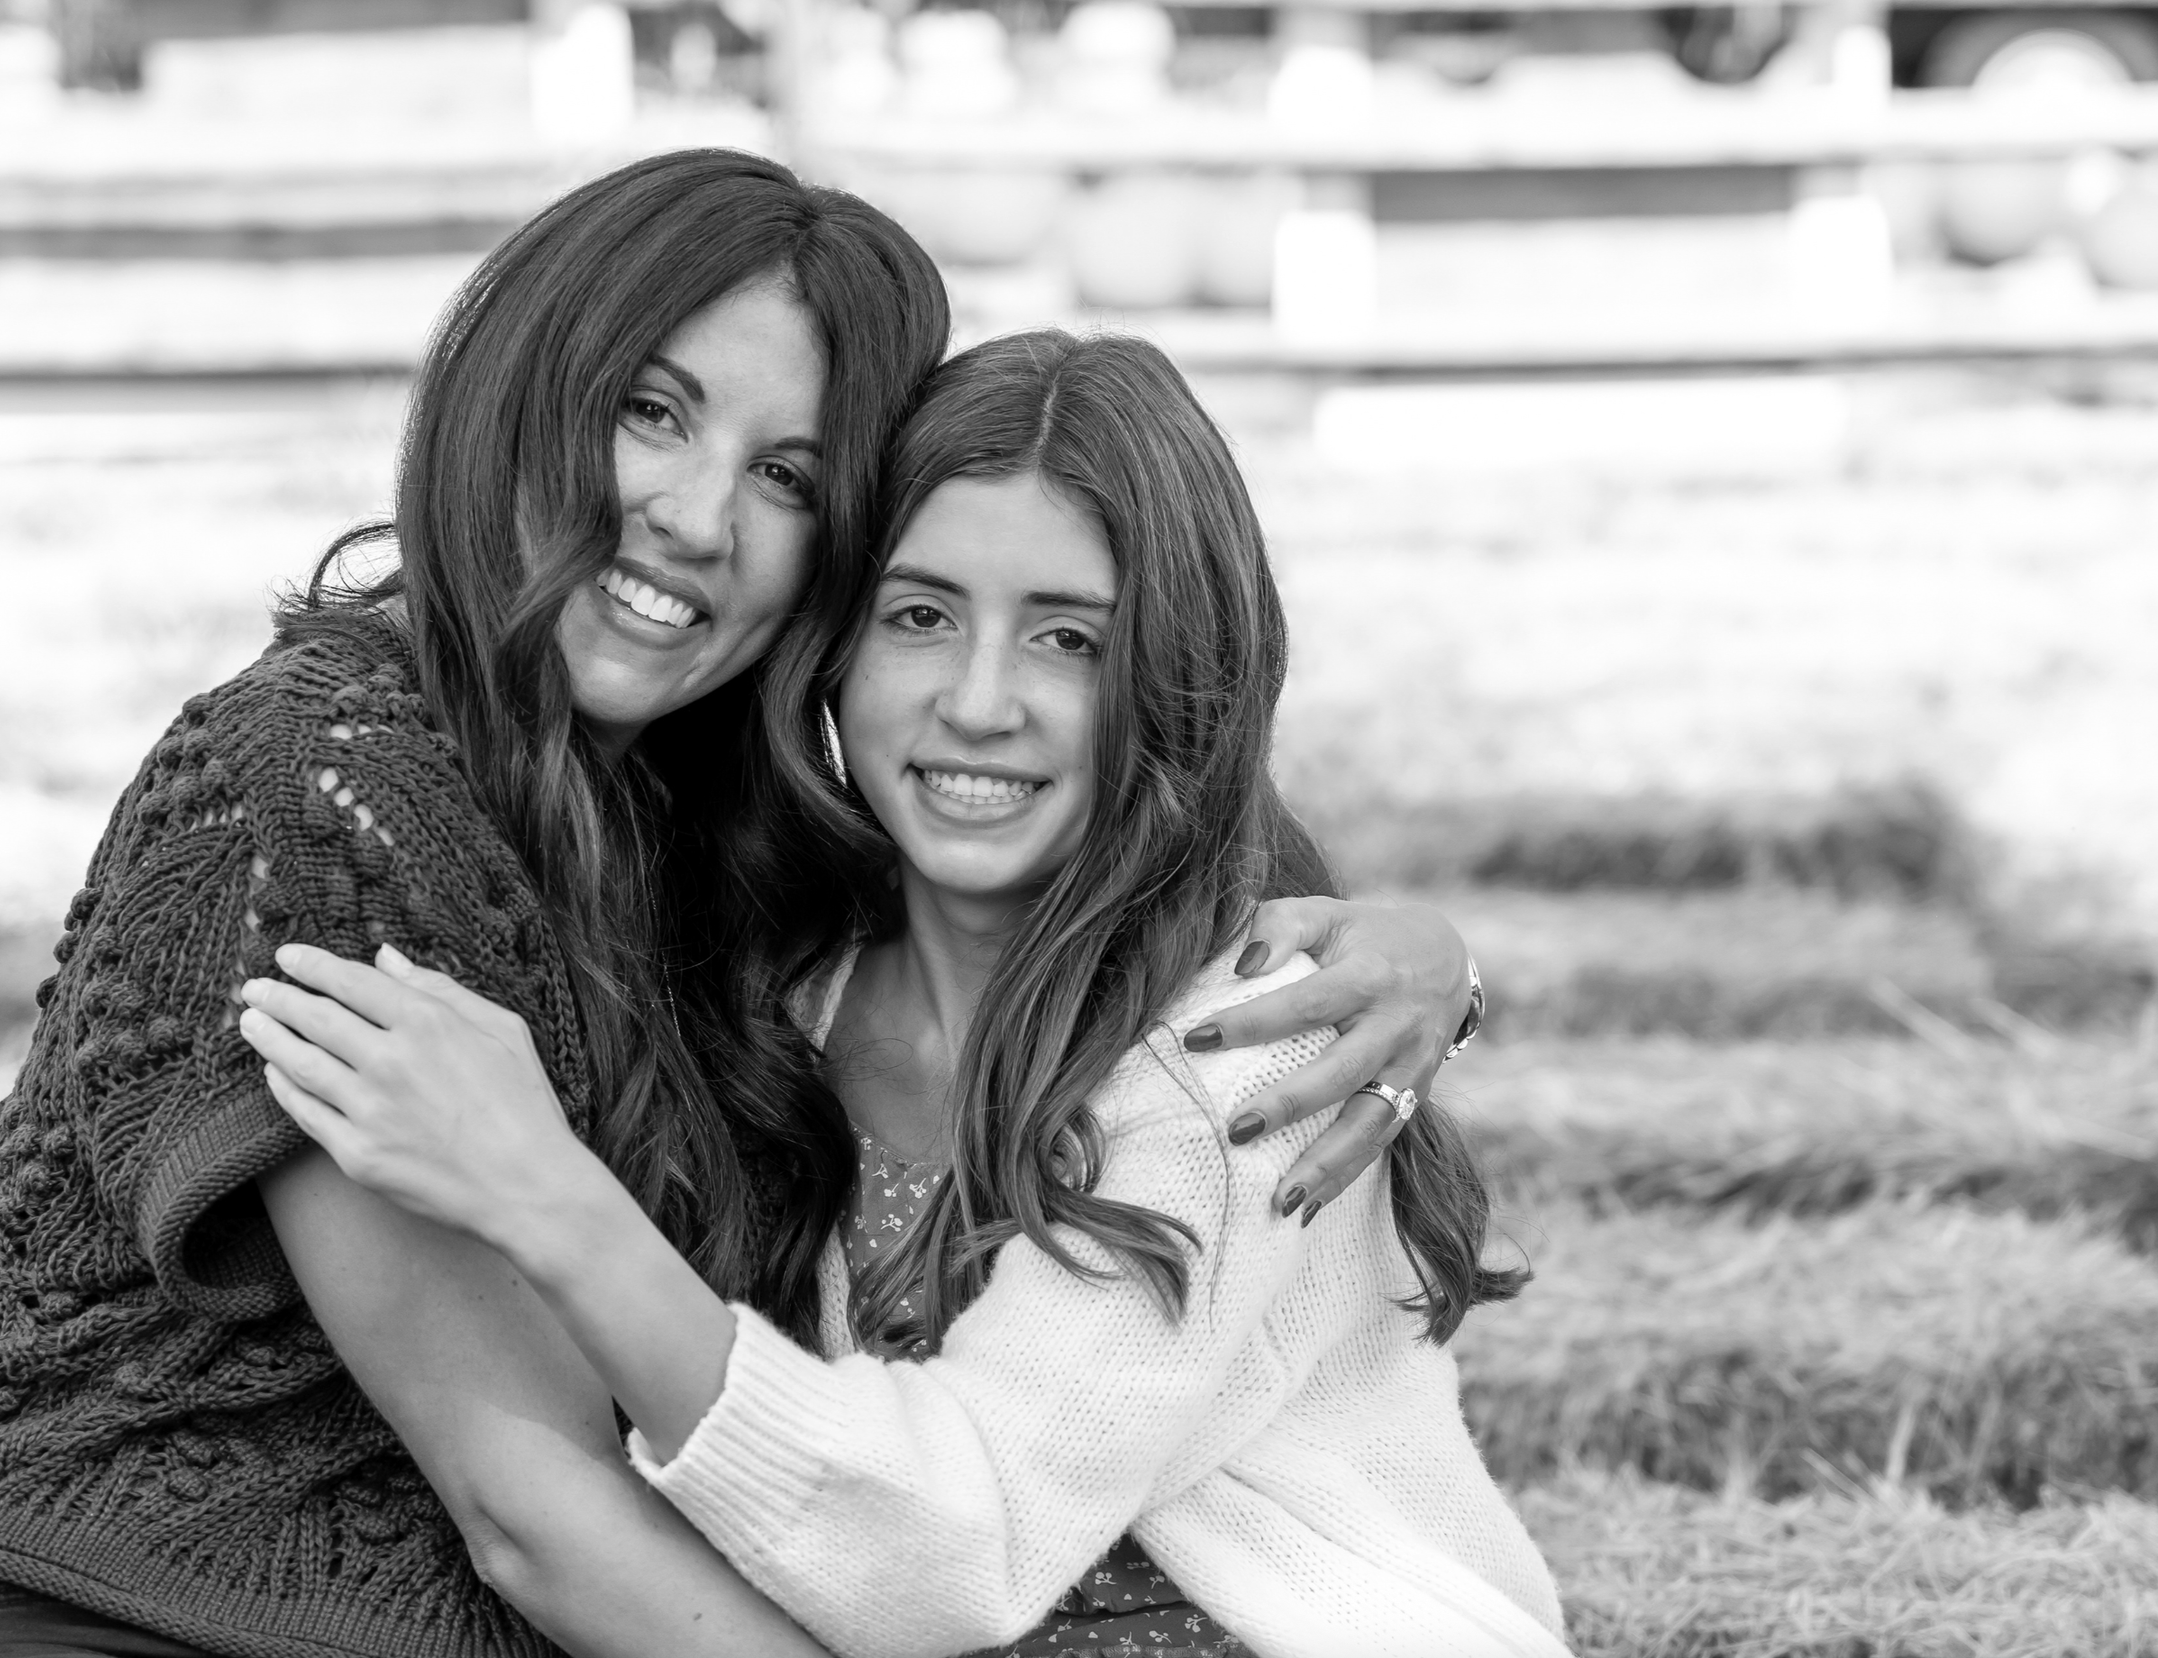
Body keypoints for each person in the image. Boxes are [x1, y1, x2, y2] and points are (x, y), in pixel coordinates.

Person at [0, 152, 1481, 1658]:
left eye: (789, 477)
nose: (695, 518)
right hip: (108, 1602)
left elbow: (1146, 856)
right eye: (655, 412)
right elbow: (527, 1503)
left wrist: (1429, 959)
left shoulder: (731, 827)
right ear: (519, 389)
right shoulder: (323, 779)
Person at [238, 330, 1565, 1658]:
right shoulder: (780, 984)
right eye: (920, 615)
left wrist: (545, 1197)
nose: (979, 701)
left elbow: (949, 1546)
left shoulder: (1251, 1045)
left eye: (1070, 638)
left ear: (1179, 675)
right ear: (832, 646)